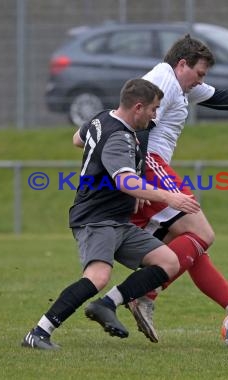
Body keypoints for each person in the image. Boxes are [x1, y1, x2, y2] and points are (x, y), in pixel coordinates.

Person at [78, 34, 228, 343]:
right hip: (151, 165)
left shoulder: (181, 85)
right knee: (204, 234)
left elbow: (220, 97)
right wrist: (138, 181)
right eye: (199, 73)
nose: (201, 81)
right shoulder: (165, 82)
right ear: (182, 64)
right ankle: (140, 295)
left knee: (191, 245)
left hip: (151, 168)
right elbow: (137, 128)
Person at [21, 78, 201, 350]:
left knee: (168, 262)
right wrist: (169, 196)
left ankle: (107, 305)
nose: (155, 115)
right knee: (98, 277)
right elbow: (124, 181)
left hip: (118, 220)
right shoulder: (119, 136)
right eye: (153, 109)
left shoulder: (101, 118)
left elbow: (77, 139)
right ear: (138, 107)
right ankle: (38, 333)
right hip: (96, 219)